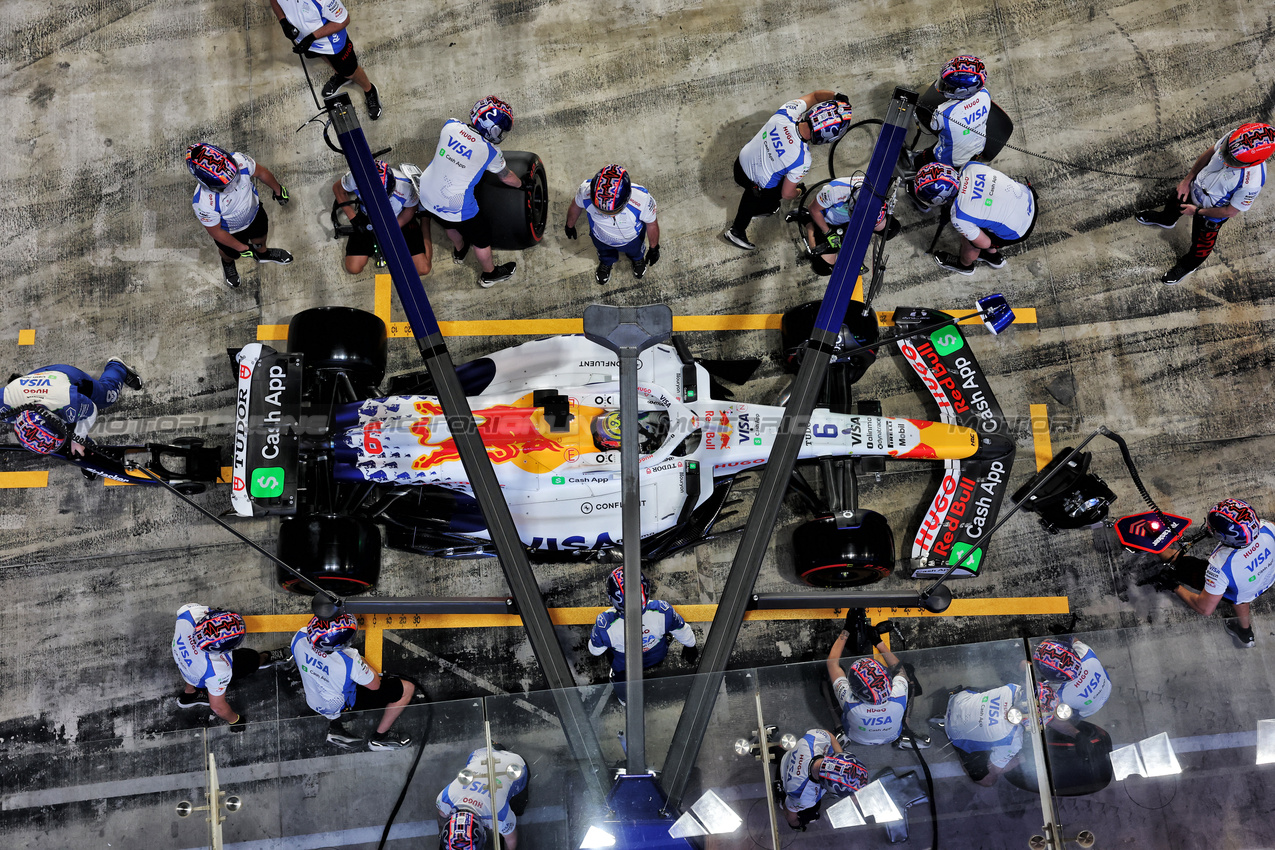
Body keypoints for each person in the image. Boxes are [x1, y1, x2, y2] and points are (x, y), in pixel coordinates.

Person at [1134, 123, 1274, 284]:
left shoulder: (1253, 182)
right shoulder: (1234, 140)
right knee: (1173, 203)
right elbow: (1210, 153)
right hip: (1195, 187)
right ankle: (1166, 220)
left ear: (1252, 163)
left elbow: (1230, 211)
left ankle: (1187, 266)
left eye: (1232, 160)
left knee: (1201, 246)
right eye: (1226, 151)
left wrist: (1197, 211)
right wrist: (1187, 180)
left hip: (1211, 213)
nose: (1225, 157)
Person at [725, 91, 852, 250]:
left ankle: (753, 208)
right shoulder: (802, 159)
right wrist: (798, 192)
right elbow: (787, 194)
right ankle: (737, 230)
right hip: (754, 187)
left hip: (739, 164)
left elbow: (814, 96)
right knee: (773, 204)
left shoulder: (787, 112)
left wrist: (835, 96)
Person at [417, 96, 523, 287]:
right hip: (455, 206)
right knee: (481, 239)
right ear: (493, 130)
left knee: (448, 225)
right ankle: (490, 275)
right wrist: (521, 185)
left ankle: (460, 250)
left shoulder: (450, 125)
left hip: (425, 194)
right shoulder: (490, 152)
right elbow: (506, 177)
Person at [1151, 498, 1275, 648]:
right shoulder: (1268, 527)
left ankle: (1155, 545)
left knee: (1179, 562)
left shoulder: (1220, 567)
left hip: (1242, 586)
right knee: (1241, 595)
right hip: (1265, 579)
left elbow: (1204, 609)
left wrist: (1175, 586)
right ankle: (1245, 634)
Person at [290, 612, 414, 750]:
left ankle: (336, 728)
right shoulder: (350, 660)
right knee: (407, 688)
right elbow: (375, 684)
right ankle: (379, 739)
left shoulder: (299, 637)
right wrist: (361, 661)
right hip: (341, 706)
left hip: (314, 700)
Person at [186, 142, 292, 288]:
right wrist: (242, 247)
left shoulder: (241, 160)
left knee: (260, 238)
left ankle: (262, 254)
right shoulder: (203, 203)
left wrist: (278, 190)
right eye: (225, 185)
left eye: (235, 175)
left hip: (255, 214)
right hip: (230, 232)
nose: (233, 184)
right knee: (229, 254)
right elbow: (217, 233)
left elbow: (262, 173)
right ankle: (228, 263)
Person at [587, 568, 696, 705]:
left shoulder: (605, 625)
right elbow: (682, 630)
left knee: (619, 677)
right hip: (657, 655)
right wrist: (691, 645)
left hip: (625, 665)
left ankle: (625, 700)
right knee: (668, 630)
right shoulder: (663, 610)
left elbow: (595, 651)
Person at [171, 604, 287, 730]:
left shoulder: (189, 613)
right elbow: (217, 707)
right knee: (250, 659)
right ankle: (263, 658)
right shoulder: (218, 670)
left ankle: (190, 693)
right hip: (203, 670)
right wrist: (235, 720)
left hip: (184, 662)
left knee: (193, 672)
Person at [914, 161, 1037, 275]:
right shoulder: (970, 166)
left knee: (970, 241)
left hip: (1018, 230)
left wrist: (972, 240)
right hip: (1028, 199)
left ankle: (964, 265)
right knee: (979, 221)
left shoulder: (959, 216)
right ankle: (992, 256)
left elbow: (984, 243)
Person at [0, 360, 142, 456]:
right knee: (68, 429)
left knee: (107, 397)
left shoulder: (70, 401)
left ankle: (116, 367)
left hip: (67, 376)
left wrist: (78, 439)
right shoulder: (4, 403)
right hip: (32, 382)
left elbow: (91, 412)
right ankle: (85, 452)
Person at [270, 0, 382, 119]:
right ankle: (340, 75)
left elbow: (343, 20)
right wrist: (283, 21)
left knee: (350, 71)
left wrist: (312, 38)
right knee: (324, 58)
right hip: (306, 41)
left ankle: (369, 90)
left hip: (332, 44)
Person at [826, 618, 921, 748]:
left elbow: (832, 663)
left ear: (853, 690)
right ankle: (905, 731)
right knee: (908, 674)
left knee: (828, 678)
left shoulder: (850, 702)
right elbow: (899, 669)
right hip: (892, 735)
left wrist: (846, 630)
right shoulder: (898, 693)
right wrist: (878, 642)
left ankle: (839, 729)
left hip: (856, 736)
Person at [564, 165, 661, 284]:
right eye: (599, 209)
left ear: (626, 199)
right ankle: (607, 262)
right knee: (604, 253)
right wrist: (569, 225)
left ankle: (637, 259)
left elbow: (652, 224)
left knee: (636, 251)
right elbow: (576, 205)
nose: (604, 214)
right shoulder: (585, 191)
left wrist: (654, 248)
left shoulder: (642, 200)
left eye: (611, 212)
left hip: (632, 240)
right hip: (601, 238)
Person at [332, 159, 432, 276]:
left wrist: (394, 227)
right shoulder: (356, 177)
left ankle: (425, 217)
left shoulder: (405, 186)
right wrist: (353, 218)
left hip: (397, 217)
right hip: (366, 217)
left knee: (423, 269)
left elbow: (411, 208)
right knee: (353, 268)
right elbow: (338, 189)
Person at [789, 175, 894, 276]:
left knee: (891, 230)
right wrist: (828, 232)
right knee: (823, 267)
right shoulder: (834, 191)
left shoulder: (879, 188)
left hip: (849, 220)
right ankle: (807, 219)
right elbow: (813, 209)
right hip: (828, 221)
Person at [907, 55, 992, 174]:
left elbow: (934, 126)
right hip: (978, 148)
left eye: (948, 86)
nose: (944, 86)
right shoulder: (985, 93)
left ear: (962, 91)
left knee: (929, 156)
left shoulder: (943, 112)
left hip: (952, 160)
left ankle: (915, 163)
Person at [436, 745, 529, 849]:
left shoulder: (499, 816)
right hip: (481, 754)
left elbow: (511, 838)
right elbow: (442, 814)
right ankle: (496, 748)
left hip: (516, 765)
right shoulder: (445, 799)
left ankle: (498, 749)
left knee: (517, 809)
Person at [776, 728, 867, 830]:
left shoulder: (815, 738)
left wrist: (840, 756)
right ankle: (780, 796)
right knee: (813, 809)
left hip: (788, 758)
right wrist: (796, 824)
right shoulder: (804, 798)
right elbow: (788, 812)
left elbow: (829, 735)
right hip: (785, 781)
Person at [942, 683, 1028, 787]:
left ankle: (957, 701)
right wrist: (1022, 758)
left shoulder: (1013, 687)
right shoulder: (1013, 740)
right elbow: (994, 769)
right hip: (953, 731)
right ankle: (949, 730)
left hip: (958, 699)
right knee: (987, 780)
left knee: (991, 693)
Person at [1033, 638, 1112, 718]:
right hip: (1107, 685)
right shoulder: (1086, 653)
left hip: (1088, 711)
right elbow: (1074, 639)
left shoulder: (1059, 694)